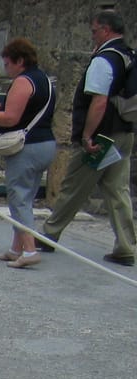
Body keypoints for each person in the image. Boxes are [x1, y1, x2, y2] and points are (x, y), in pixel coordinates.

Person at [39, 10, 136, 267]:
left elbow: (99, 100)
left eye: (94, 31)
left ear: (105, 30)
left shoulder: (105, 59)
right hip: (124, 131)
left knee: (74, 184)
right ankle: (126, 245)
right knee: (117, 189)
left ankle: (49, 233)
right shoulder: (129, 55)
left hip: (101, 136)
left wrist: (87, 135)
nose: (92, 35)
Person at [0, 38, 56, 269]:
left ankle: (29, 250)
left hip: (27, 146)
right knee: (26, 197)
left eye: (8, 63)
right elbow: (26, 111)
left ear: (19, 61)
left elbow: (11, 118)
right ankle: (16, 248)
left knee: (18, 197)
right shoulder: (44, 80)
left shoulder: (23, 81)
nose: (6, 68)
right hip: (45, 143)